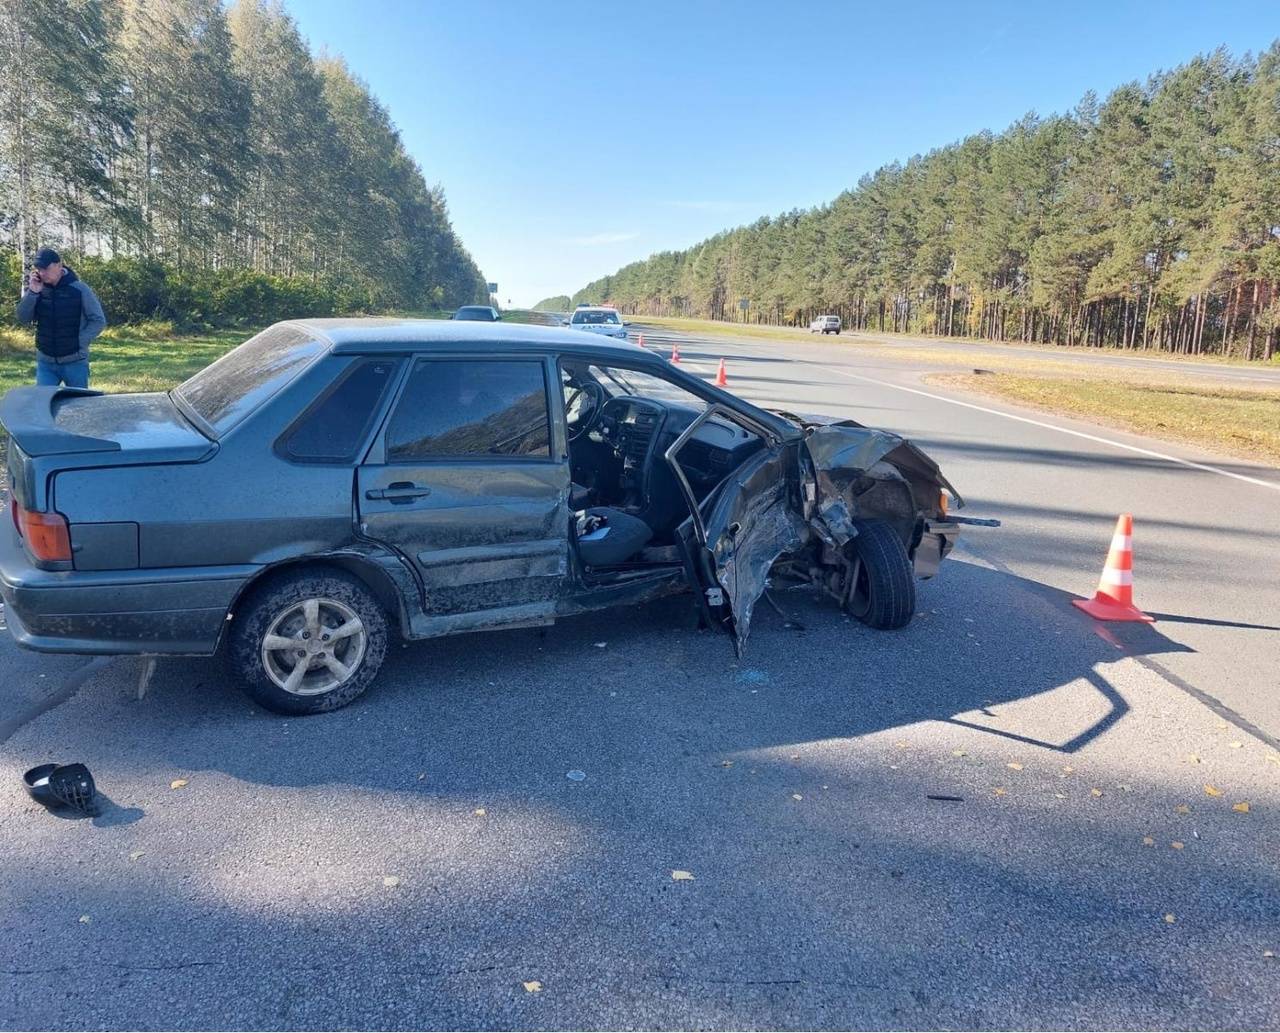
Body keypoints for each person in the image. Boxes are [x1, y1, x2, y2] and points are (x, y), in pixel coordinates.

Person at [15, 248, 106, 389]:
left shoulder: (80, 289)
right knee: (43, 405)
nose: (42, 273)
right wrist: (32, 292)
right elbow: (22, 318)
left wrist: (80, 341)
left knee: (79, 406)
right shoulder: (37, 290)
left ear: (59, 265)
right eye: (39, 269)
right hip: (46, 363)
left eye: (46, 268)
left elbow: (98, 320)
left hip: (75, 362)